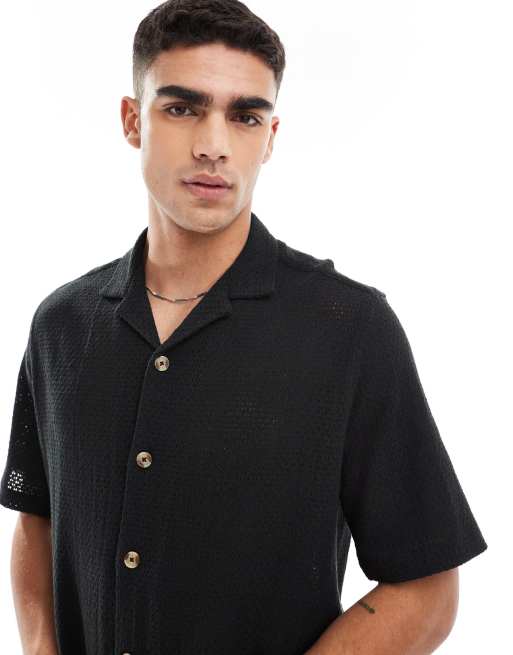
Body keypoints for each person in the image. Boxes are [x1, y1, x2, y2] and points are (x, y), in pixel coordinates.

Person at [0, 1, 487, 654]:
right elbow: (36, 520)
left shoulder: (350, 330)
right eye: (182, 108)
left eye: (245, 115)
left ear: (270, 135)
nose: (214, 145)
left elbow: (427, 588)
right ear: (132, 120)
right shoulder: (60, 326)